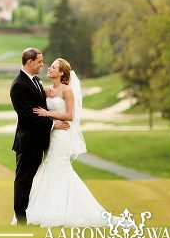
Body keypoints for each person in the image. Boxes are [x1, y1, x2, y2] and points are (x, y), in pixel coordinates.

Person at [25, 58, 108, 227]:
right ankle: (45, 208)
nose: (49, 68)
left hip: (62, 135)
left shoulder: (67, 91)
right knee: (49, 166)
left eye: (53, 67)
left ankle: (63, 211)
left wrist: (47, 114)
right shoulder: (46, 90)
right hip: (51, 133)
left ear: (61, 73)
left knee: (58, 166)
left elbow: (70, 115)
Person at [10, 48, 70, 225]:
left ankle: (34, 214)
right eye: (39, 62)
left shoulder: (35, 80)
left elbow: (38, 104)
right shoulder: (18, 85)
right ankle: (21, 220)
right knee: (23, 181)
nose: (42, 65)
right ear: (29, 62)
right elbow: (27, 116)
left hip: (39, 142)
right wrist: (53, 124)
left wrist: (44, 93)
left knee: (35, 181)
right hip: (28, 142)